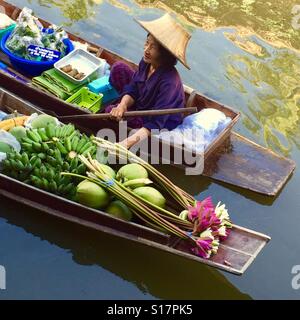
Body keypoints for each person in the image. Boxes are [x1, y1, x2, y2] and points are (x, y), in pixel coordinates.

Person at [106, 13, 191, 148]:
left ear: (165, 54)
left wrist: (125, 144)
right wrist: (122, 105)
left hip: (157, 121)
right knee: (118, 68)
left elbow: (155, 124)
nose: (146, 49)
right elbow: (133, 88)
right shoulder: (147, 62)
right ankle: (122, 107)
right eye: (147, 43)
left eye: (153, 47)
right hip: (142, 102)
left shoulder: (169, 82)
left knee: (109, 112)